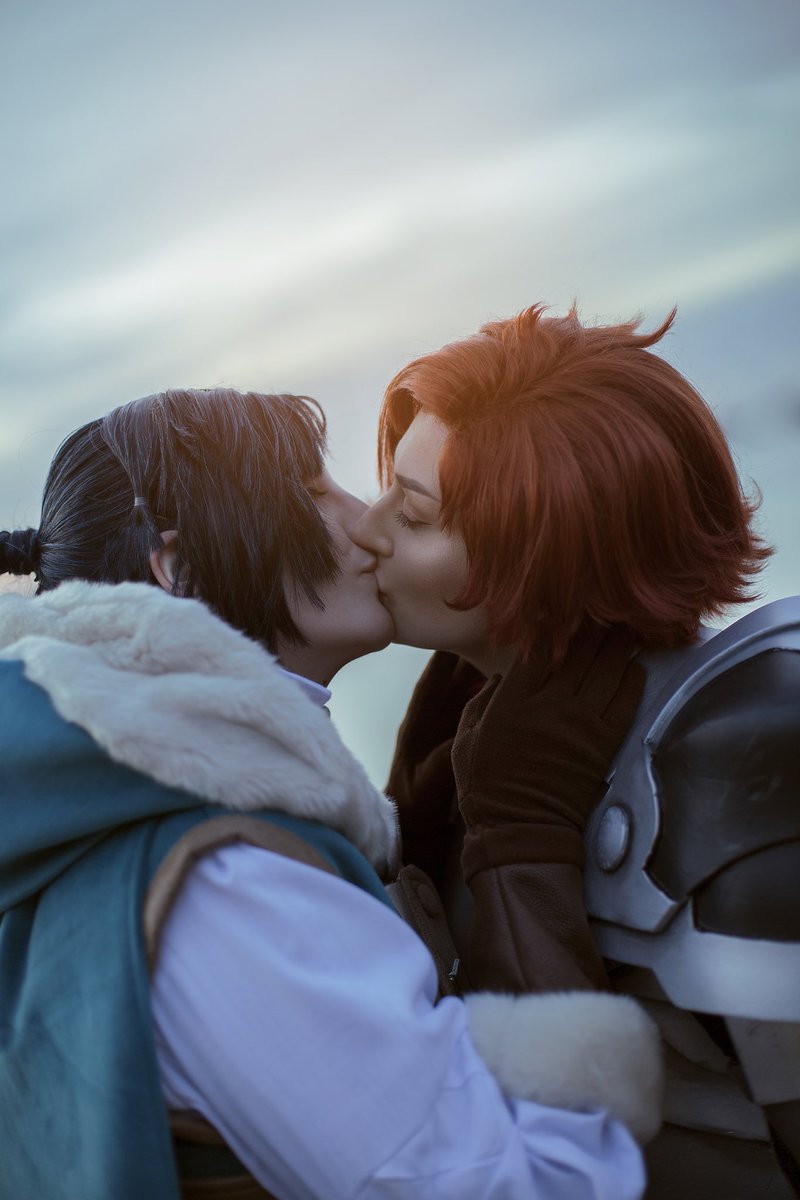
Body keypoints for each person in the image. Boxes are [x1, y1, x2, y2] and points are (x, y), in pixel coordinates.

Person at [0, 387, 660, 1200]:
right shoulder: (230, 886)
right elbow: (530, 1188)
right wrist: (528, 828)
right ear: (183, 569)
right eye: (316, 494)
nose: (369, 522)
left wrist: (408, 820)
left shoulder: (106, 813)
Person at [352, 305, 800, 1197]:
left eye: (417, 513)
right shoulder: (463, 745)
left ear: (542, 548)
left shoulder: (741, 752)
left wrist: (524, 829)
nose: (369, 529)